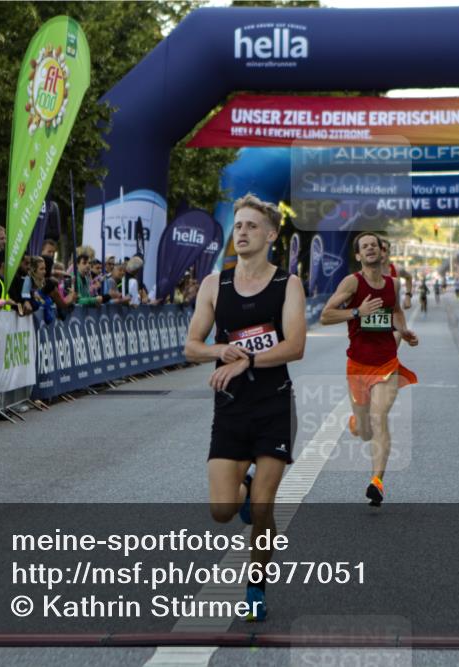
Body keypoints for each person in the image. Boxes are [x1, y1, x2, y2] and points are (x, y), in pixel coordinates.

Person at [184, 194, 306, 623]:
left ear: (271, 235)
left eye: (252, 226)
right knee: (221, 511)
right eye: (238, 225)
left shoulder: (287, 284)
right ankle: (246, 486)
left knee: (263, 508)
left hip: (273, 405)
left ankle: (255, 586)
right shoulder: (214, 285)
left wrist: (248, 360)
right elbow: (191, 346)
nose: (242, 232)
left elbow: (296, 346)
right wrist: (221, 350)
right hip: (231, 409)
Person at [320, 232, 418, 507]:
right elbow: (326, 316)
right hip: (358, 365)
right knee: (365, 430)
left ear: (381, 251)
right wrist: (356, 312)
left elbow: (395, 311)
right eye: (365, 247)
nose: (370, 249)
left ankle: (377, 481)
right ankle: (356, 422)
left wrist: (403, 331)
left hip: (386, 363)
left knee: (379, 417)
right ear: (359, 255)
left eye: (374, 245)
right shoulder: (352, 282)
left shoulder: (393, 284)